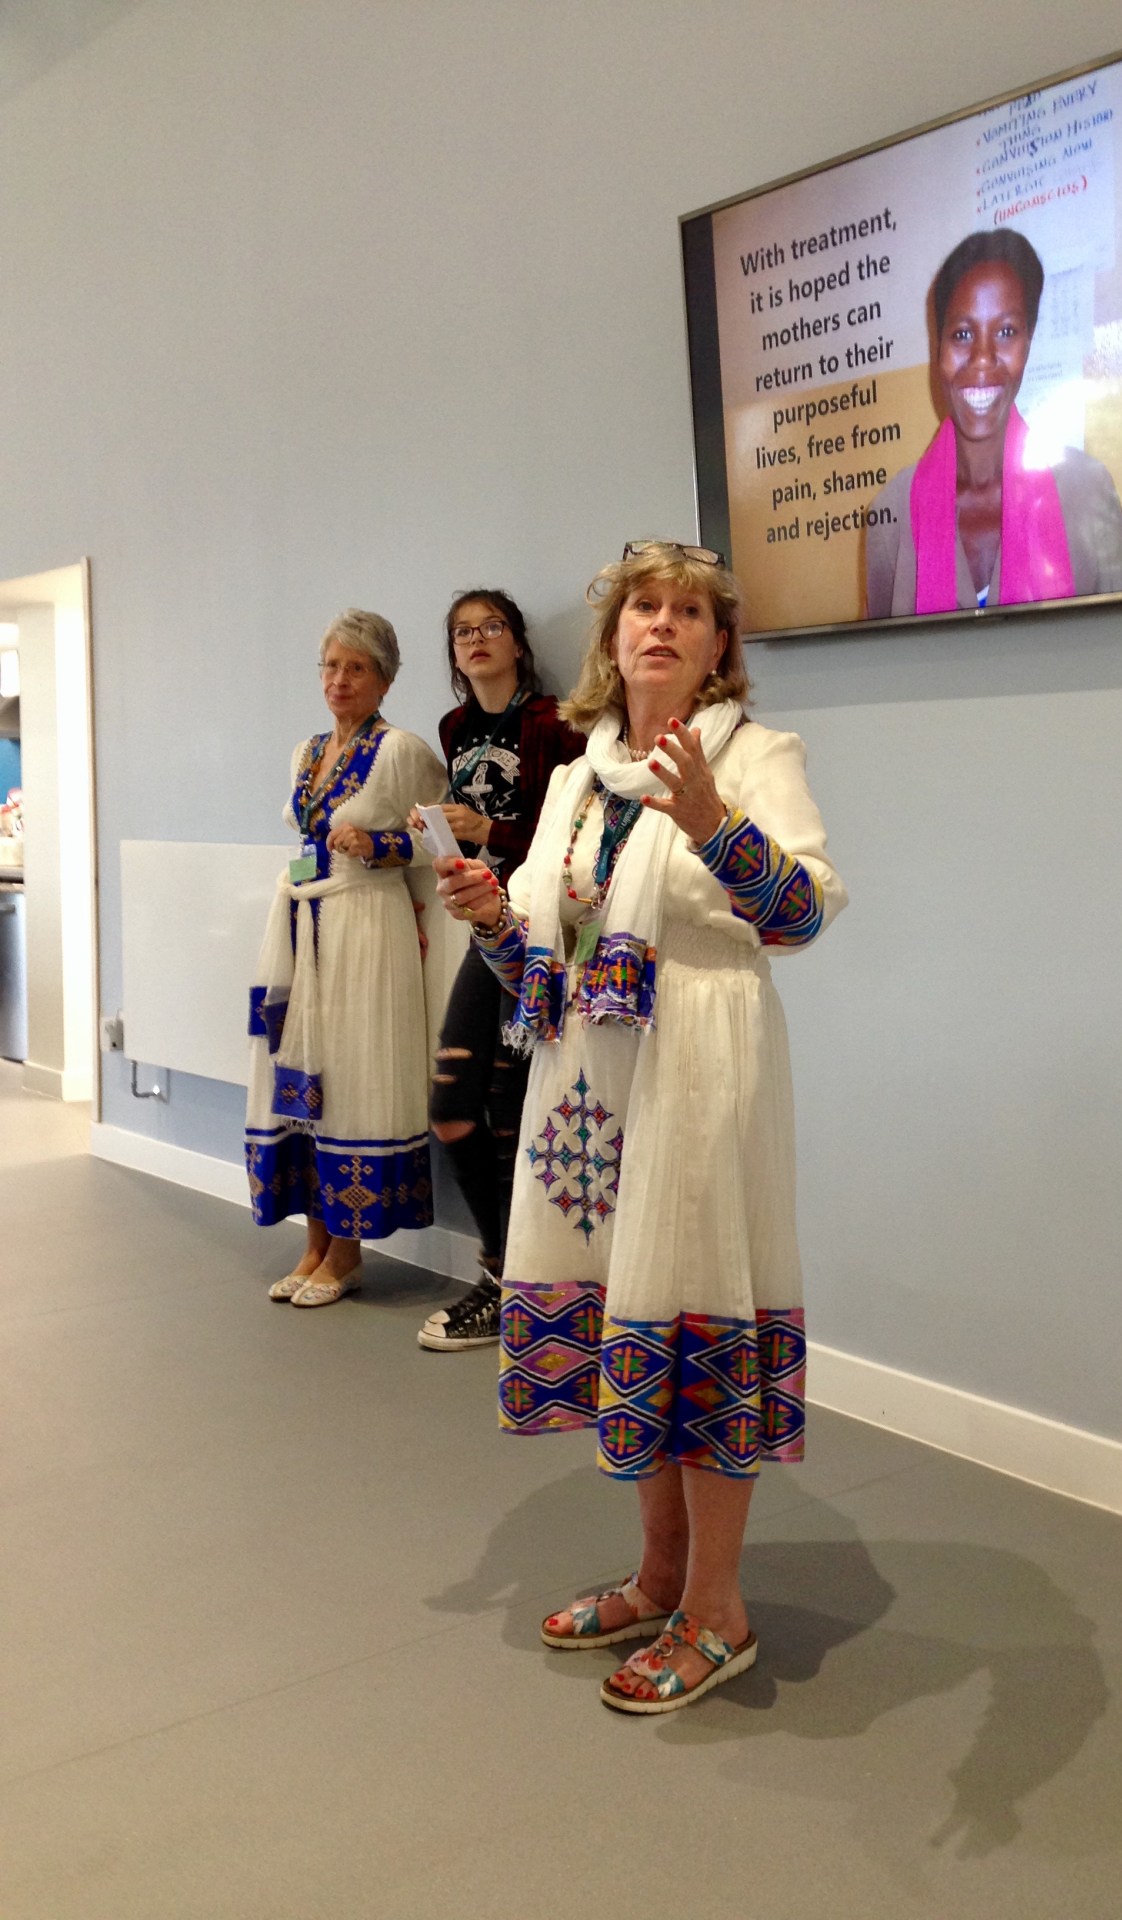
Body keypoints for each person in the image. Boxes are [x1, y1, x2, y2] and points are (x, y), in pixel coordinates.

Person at [436, 541, 845, 1712]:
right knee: (632, 1313)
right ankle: (661, 1576)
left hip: (700, 1068)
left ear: (719, 645)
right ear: (612, 639)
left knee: (696, 1305)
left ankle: (719, 1611)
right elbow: (536, 956)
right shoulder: (578, 779)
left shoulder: (757, 755)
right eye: (643, 607)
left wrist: (716, 822)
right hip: (586, 1085)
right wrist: (488, 914)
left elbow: (803, 916)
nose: (662, 624)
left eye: (689, 611)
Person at [245, 609, 446, 1306]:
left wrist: (379, 845)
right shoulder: (306, 752)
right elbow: (307, 833)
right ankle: (314, 1241)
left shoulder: (402, 751)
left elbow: (442, 839)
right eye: (331, 666)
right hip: (304, 922)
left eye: (356, 668)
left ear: (384, 679)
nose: (339, 679)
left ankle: (348, 1251)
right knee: (300, 1072)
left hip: (366, 924)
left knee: (354, 1072)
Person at [410, 589, 583, 1351]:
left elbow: (565, 836)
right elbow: (478, 838)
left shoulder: (552, 722)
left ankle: (523, 1289)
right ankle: (506, 1270)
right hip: (486, 925)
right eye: (462, 632)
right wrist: (444, 836)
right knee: (451, 1107)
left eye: (491, 627)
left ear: (517, 643)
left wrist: (489, 826)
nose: (476, 640)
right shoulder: (455, 728)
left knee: (516, 1117)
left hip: (542, 932)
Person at [866, 227, 1122, 617]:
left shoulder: (1090, 493)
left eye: (1006, 331)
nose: (982, 357)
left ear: (1029, 342)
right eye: (962, 334)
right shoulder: (891, 512)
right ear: (938, 349)